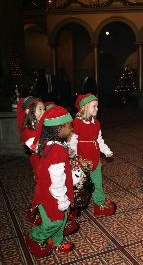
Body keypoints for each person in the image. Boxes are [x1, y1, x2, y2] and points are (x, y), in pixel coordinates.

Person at [24, 106, 75, 257]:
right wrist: (62, 200)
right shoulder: (57, 150)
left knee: (62, 217)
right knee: (55, 221)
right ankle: (34, 237)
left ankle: (57, 242)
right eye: (69, 126)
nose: (71, 128)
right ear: (59, 128)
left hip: (50, 190)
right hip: (52, 193)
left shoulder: (52, 144)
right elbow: (57, 180)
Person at [70, 93, 116, 216]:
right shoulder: (77, 122)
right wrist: (73, 156)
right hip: (81, 159)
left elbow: (99, 140)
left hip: (95, 158)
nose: (97, 109)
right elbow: (73, 140)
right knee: (79, 183)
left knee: (97, 182)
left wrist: (106, 151)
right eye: (94, 106)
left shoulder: (96, 123)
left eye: (97, 106)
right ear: (84, 108)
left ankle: (99, 204)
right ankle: (73, 206)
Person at [17, 96, 45, 225]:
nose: (44, 112)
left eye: (44, 109)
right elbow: (36, 148)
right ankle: (36, 211)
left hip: (47, 160)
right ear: (30, 112)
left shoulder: (43, 125)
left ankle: (46, 211)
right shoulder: (28, 131)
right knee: (43, 186)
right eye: (40, 109)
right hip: (39, 162)